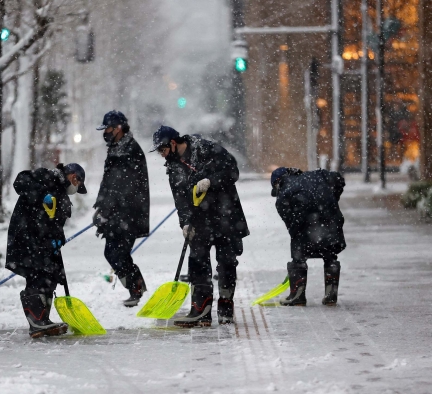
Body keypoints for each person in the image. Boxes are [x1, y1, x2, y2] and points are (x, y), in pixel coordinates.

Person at [150, 126, 249, 327]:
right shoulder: (173, 168)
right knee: (197, 262)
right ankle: (201, 308)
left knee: (227, 262)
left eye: (163, 149)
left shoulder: (206, 149)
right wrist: (185, 223)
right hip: (199, 220)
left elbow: (233, 171)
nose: (162, 155)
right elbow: (180, 199)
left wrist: (211, 181)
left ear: (173, 143)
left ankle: (225, 305)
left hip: (225, 214)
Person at [6, 163, 87, 338]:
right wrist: (42, 194)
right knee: (37, 274)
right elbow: (20, 181)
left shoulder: (62, 194)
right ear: (74, 177)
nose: (76, 189)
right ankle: (36, 321)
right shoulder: (47, 176)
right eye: (78, 185)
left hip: (44, 241)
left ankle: (43, 319)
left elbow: (56, 221)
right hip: (28, 236)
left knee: (52, 275)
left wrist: (59, 238)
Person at [93, 110, 150, 307]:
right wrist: (100, 207)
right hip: (116, 213)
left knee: (118, 253)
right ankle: (135, 287)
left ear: (118, 128)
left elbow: (123, 186)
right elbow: (108, 182)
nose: (105, 132)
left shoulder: (129, 151)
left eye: (107, 128)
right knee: (111, 253)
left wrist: (107, 211)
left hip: (129, 213)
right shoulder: (117, 148)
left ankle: (136, 288)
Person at [270, 167, 346, 306]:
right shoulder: (318, 175)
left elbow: (291, 225)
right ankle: (331, 295)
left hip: (305, 224)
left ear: (277, 183)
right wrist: (332, 199)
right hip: (331, 220)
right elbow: (339, 179)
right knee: (330, 256)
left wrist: (297, 237)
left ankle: (297, 296)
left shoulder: (283, 195)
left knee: (298, 259)